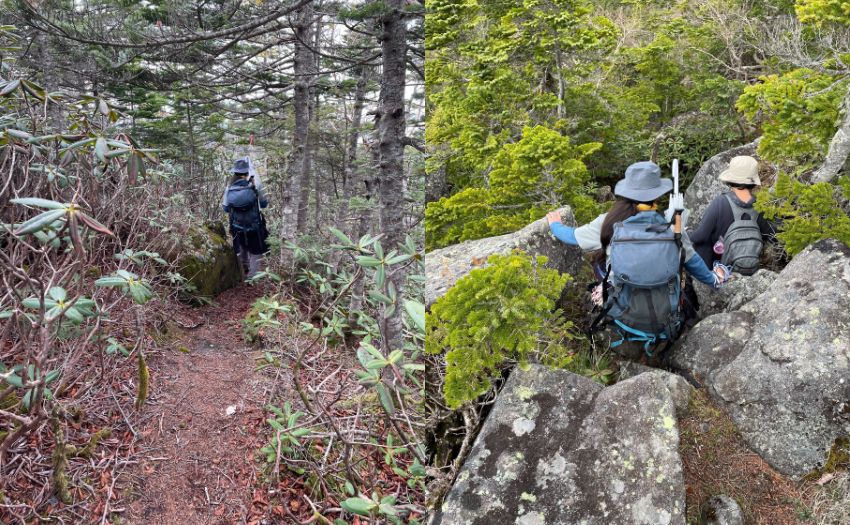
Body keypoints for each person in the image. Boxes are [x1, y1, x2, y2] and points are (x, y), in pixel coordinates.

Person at [546, 161, 729, 357]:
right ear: (658, 195)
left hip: (624, 317)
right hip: (666, 320)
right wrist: (715, 279)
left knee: (600, 263)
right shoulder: (673, 228)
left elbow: (570, 236)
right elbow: (695, 265)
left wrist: (555, 224)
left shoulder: (608, 224)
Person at [688, 155, 774, 274]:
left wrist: (685, 232)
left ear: (731, 179)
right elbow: (771, 235)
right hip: (748, 268)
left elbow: (700, 236)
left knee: (702, 244)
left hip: (719, 268)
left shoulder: (720, 203)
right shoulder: (760, 206)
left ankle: (694, 288)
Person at [222, 158, 269, 278]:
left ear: (235, 173)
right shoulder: (256, 185)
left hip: (236, 226)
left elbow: (226, 208)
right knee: (256, 252)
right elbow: (264, 204)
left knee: (242, 247)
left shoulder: (229, 187)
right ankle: (252, 278)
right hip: (255, 226)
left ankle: (244, 269)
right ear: (248, 172)